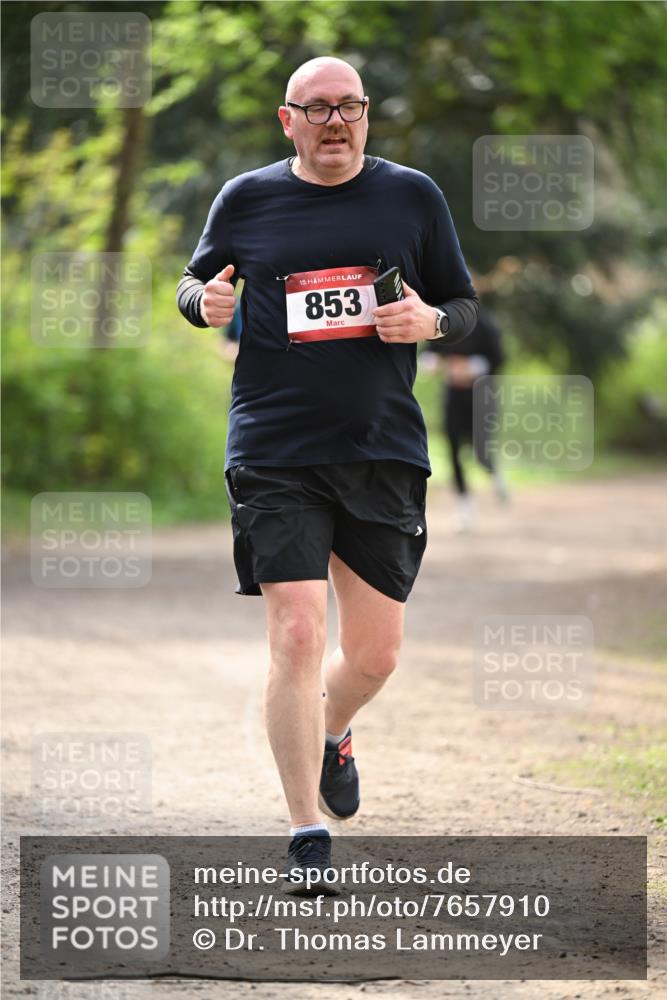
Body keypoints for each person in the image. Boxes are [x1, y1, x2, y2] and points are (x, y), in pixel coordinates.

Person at [177, 56, 478, 889]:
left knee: (374, 656)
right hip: (274, 447)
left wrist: (429, 320)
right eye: (317, 109)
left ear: (367, 115)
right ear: (288, 121)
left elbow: (461, 301)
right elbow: (194, 279)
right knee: (298, 632)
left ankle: (333, 728)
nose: (335, 121)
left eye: (348, 106)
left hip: (381, 445)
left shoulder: (411, 195)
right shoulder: (246, 198)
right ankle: (305, 830)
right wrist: (199, 303)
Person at [424, 304, 508, 531]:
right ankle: (464, 504)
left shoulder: (485, 322)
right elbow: (429, 354)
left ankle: (494, 473)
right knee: (453, 447)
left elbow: (498, 358)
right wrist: (435, 365)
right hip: (453, 396)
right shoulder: (442, 318)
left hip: (481, 396)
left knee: (480, 449)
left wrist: (470, 367)